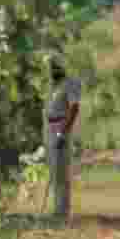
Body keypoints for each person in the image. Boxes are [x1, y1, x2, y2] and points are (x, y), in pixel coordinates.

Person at [44, 55, 81, 217]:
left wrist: (62, 133)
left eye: (54, 67)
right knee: (54, 170)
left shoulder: (70, 83)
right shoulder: (53, 86)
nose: (51, 71)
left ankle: (62, 210)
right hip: (50, 128)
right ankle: (57, 208)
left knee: (61, 171)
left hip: (61, 128)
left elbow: (74, 108)